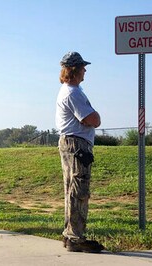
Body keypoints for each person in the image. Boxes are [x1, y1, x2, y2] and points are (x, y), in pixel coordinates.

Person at [55, 51, 104, 253]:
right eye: (83, 67)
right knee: (78, 190)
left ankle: (70, 235)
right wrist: (97, 117)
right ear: (74, 71)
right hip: (77, 145)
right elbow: (90, 119)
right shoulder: (73, 93)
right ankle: (75, 237)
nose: (85, 70)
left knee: (72, 190)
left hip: (71, 144)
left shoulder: (69, 90)